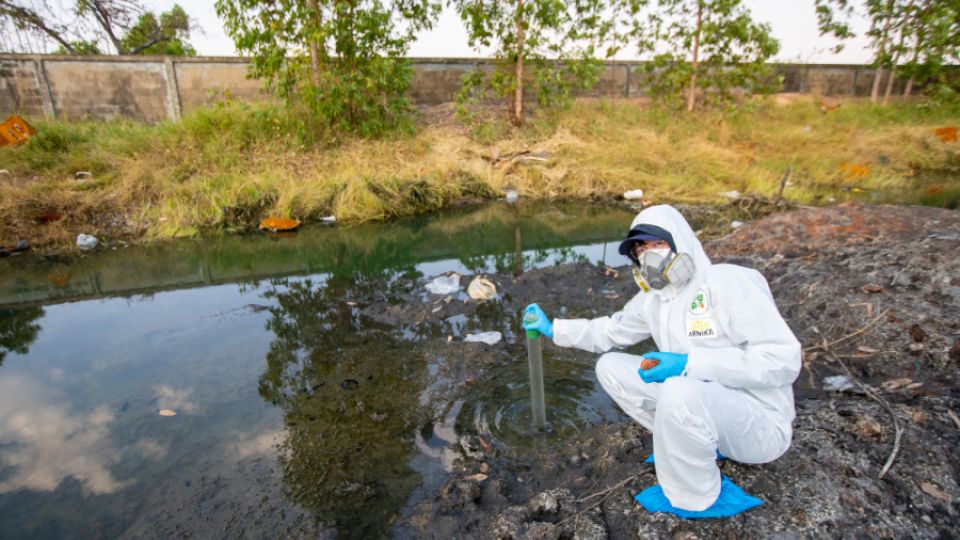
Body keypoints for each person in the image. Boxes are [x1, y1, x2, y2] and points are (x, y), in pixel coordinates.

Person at [522, 204, 801, 518]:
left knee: (679, 390)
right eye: (640, 249)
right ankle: (685, 445)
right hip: (703, 405)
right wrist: (553, 328)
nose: (647, 255)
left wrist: (689, 363)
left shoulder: (727, 283)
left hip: (759, 425)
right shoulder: (655, 299)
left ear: (680, 241)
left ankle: (695, 497)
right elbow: (610, 330)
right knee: (610, 367)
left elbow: (782, 360)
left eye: (657, 244)